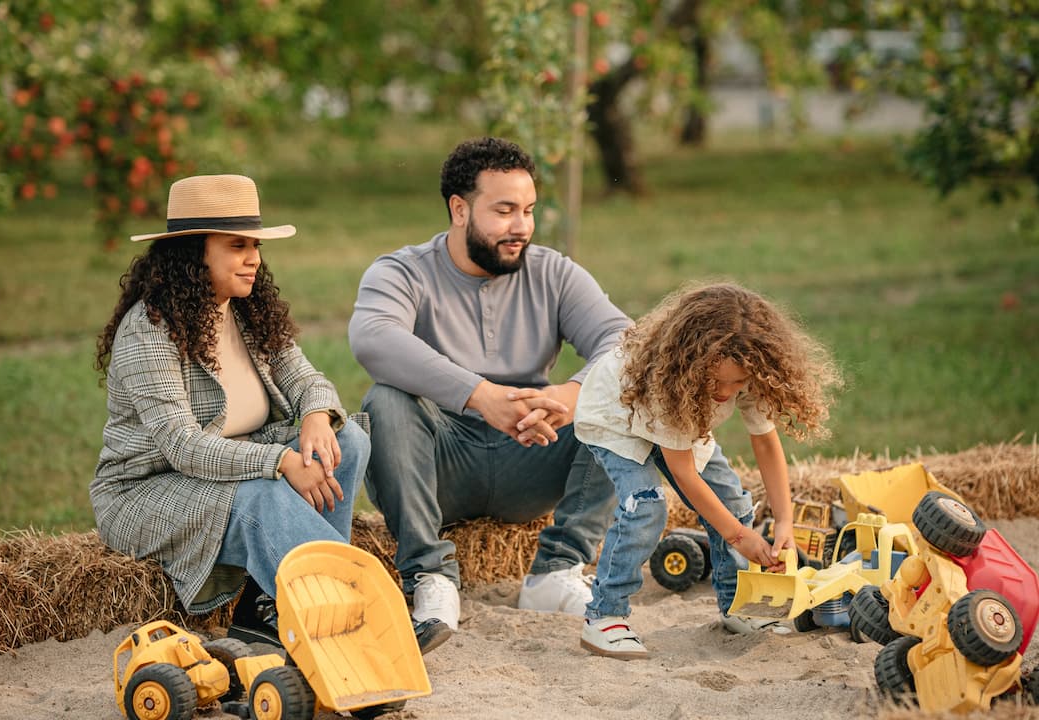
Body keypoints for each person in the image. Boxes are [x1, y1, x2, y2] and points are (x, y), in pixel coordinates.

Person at [348, 137, 632, 650]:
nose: (520, 226)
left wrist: (570, 395)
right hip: (441, 463)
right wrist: (480, 395)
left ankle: (557, 571)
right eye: (503, 211)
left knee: (622, 397)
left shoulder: (555, 272)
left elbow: (627, 343)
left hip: (534, 450)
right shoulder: (402, 271)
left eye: (527, 210)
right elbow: (373, 337)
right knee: (384, 401)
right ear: (459, 209)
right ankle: (430, 579)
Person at [91, 174, 369, 647]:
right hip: (148, 488)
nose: (254, 258)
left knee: (348, 440)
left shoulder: (246, 309)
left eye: (255, 244)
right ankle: (341, 610)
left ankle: (272, 608)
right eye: (237, 245)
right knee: (267, 495)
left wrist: (316, 416)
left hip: (234, 459)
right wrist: (279, 462)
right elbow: (183, 447)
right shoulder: (149, 331)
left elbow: (306, 379)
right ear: (195, 252)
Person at [573, 282, 842, 659]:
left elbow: (765, 442)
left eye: (738, 383)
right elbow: (683, 472)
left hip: (680, 426)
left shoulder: (747, 369)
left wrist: (784, 521)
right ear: (693, 365)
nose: (726, 391)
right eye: (716, 381)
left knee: (733, 502)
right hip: (617, 416)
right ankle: (604, 616)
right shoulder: (671, 381)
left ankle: (735, 607)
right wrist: (739, 537)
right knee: (646, 506)